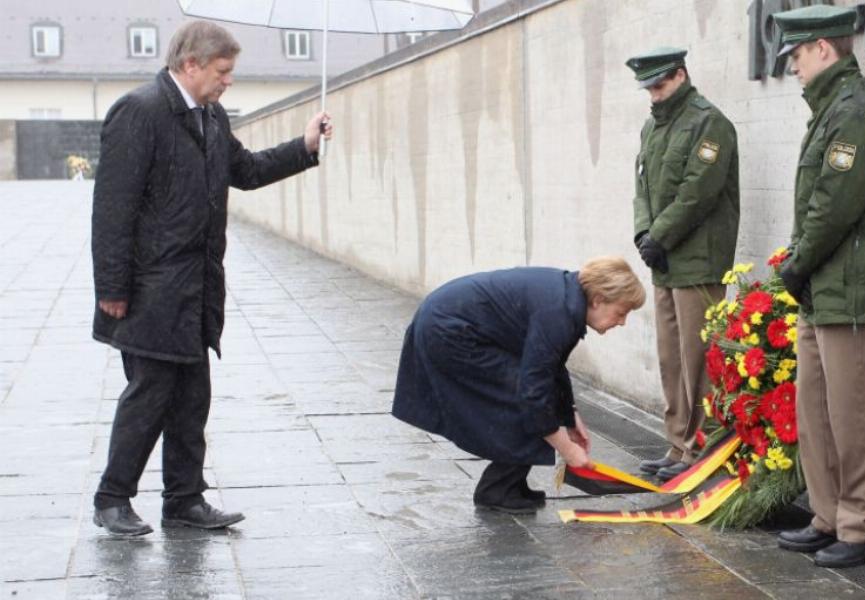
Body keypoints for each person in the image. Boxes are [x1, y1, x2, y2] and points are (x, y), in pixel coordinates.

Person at [90, 20, 333, 536]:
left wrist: (305, 145)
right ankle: (112, 498)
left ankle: (185, 499)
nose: (228, 82)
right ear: (191, 64)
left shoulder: (211, 117)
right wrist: (111, 288)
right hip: (150, 290)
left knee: (191, 399)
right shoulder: (140, 111)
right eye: (223, 71)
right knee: (149, 395)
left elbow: (245, 170)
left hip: (196, 289)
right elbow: (113, 210)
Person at [769, 6, 865, 568]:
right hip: (822, 287)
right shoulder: (831, 110)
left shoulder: (853, 112)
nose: (794, 68)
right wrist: (802, 269)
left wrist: (796, 262)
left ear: (823, 48)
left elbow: (834, 205)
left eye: (797, 56)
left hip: (849, 290)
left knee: (854, 415)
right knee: (817, 411)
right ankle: (828, 516)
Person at [390, 257, 646, 514]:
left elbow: (551, 365)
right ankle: (497, 491)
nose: (622, 322)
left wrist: (570, 413)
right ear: (598, 300)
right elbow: (534, 393)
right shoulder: (559, 312)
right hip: (449, 332)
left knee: (537, 398)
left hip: (447, 321)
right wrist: (568, 450)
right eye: (621, 312)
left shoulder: (569, 299)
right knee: (528, 400)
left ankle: (508, 485)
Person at [625, 47, 740, 481]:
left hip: (699, 259)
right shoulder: (653, 128)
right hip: (665, 259)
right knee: (671, 357)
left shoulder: (708, 123)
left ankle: (702, 451)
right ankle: (678, 446)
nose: (654, 95)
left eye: (659, 85)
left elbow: (699, 191)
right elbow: (642, 186)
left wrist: (660, 235)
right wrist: (644, 233)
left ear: (680, 75)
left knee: (699, 359)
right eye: (648, 88)